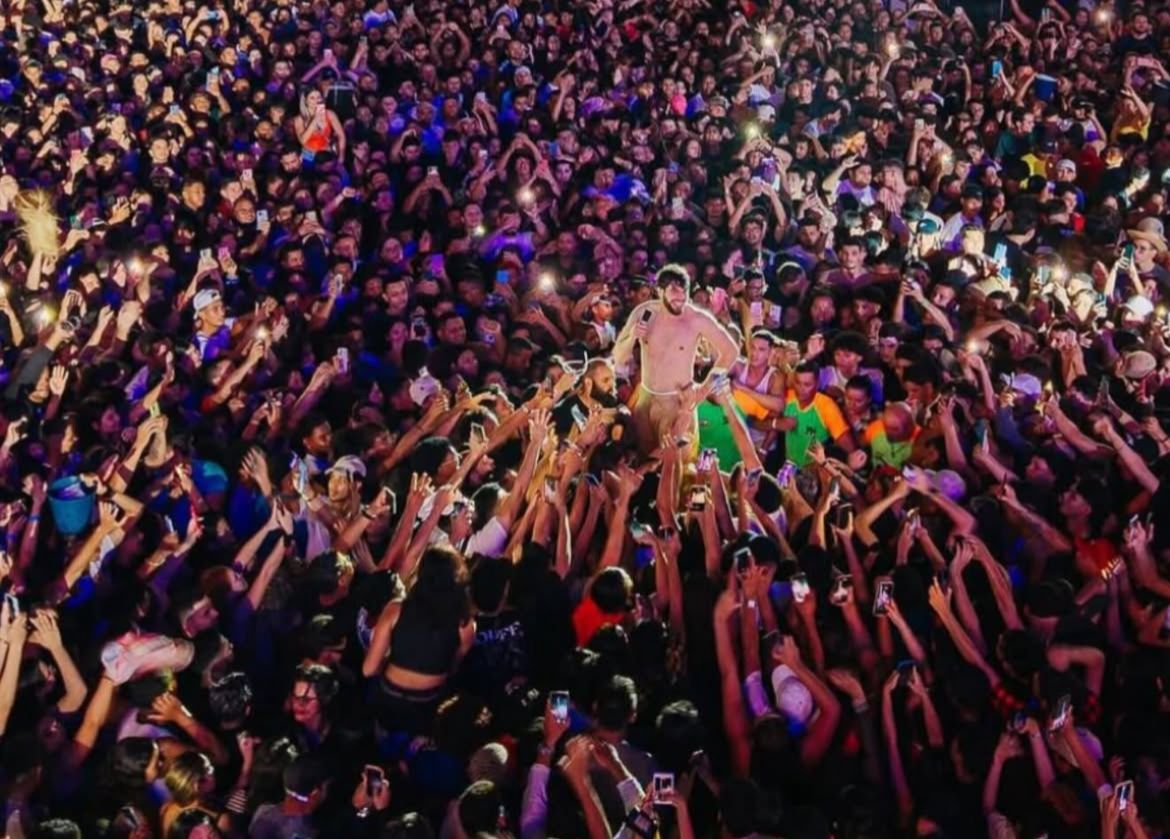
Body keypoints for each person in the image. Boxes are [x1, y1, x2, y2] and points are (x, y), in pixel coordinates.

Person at [613, 264, 739, 452]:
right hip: (646, 400)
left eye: (684, 291)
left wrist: (703, 390)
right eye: (674, 291)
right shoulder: (644, 313)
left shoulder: (696, 319)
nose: (680, 297)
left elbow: (731, 351)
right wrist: (632, 337)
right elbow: (618, 357)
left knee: (676, 464)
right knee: (644, 461)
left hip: (677, 404)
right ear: (659, 291)